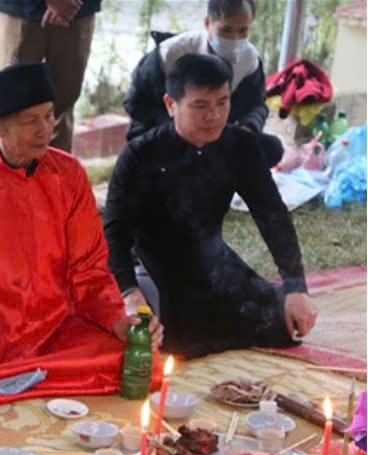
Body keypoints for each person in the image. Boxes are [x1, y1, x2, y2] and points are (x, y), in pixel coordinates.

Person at [0, 62, 162, 408]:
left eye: (49, 117)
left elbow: (89, 269)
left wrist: (117, 319)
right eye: (31, 122)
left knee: (131, 362)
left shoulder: (69, 173)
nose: (45, 130)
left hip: (55, 324)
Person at [105, 54, 319, 360]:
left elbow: (271, 214)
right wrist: (127, 292)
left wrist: (296, 286)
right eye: (201, 106)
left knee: (286, 324)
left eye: (222, 102)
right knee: (170, 340)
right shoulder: (141, 155)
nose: (214, 116)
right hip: (154, 267)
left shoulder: (240, 146)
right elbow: (114, 232)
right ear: (170, 105)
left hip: (214, 261)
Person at [123, 0, 283, 167]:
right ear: (208, 23)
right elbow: (134, 103)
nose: (235, 39)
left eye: (243, 31)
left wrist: (248, 128)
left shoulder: (249, 61)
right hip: (168, 131)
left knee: (270, 148)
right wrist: (181, 129)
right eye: (226, 30)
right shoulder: (171, 54)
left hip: (215, 134)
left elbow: (257, 105)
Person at [0, 0, 102, 153]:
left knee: (63, 106)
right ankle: (11, 176)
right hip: (20, 9)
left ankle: (55, 175)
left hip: (77, 11)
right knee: (13, 107)